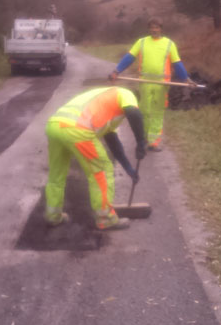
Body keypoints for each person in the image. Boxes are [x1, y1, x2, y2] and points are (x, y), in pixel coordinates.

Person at [44, 86, 148, 230]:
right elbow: (134, 113)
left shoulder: (105, 100)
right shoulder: (126, 93)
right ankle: (106, 219)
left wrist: (129, 169)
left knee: (57, 174)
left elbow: (113, 142)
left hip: (54, 126)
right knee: (102, 171)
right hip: (78, 129)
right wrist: (141, 142)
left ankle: (53, 216)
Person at [108, 17, 188, 151]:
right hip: (144, 82)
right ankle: (143, 139)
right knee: (144, 111)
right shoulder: (142, 42)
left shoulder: (169, 44)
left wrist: (186, 79)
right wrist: (117, 71)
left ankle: (153, 143)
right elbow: (129, 57)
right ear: (149, 29)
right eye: (152, 27)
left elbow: (177, 63)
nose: (154, 30)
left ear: (161, 29)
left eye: (156, 27)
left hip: (161, 85)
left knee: (157, 113)